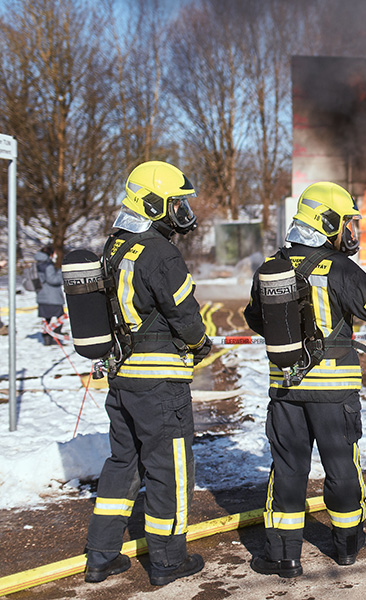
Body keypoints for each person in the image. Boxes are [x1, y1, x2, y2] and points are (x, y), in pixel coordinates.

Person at [244, 181, 366, 578]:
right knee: (341, 466)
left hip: (285, 388)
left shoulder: (274, 266)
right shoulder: (338, 267)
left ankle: (284, 556)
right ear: (327, 222)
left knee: (286, 467)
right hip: (334, 391)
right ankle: (347, 545)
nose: (350, 233)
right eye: (347, 224)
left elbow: (255, 319)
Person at [84, 161, 211, 586]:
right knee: (169, 468)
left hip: (121, 379)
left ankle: (101, 555)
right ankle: (168, 561)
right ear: (154, 202)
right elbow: (186, 316)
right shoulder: (159, 251)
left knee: (123, 462)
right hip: (159, 382)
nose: (181, 210)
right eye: (176, 203)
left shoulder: (114, 246)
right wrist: (200, 343)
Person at [34, 245, 66, 345]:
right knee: (60, 317)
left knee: (46, 319)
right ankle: (56, 336)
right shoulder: (48, 265)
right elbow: (52, 279)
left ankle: (47, 339)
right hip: (52, 297)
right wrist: (61, 273)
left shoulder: (37, 264)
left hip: (42, 295)